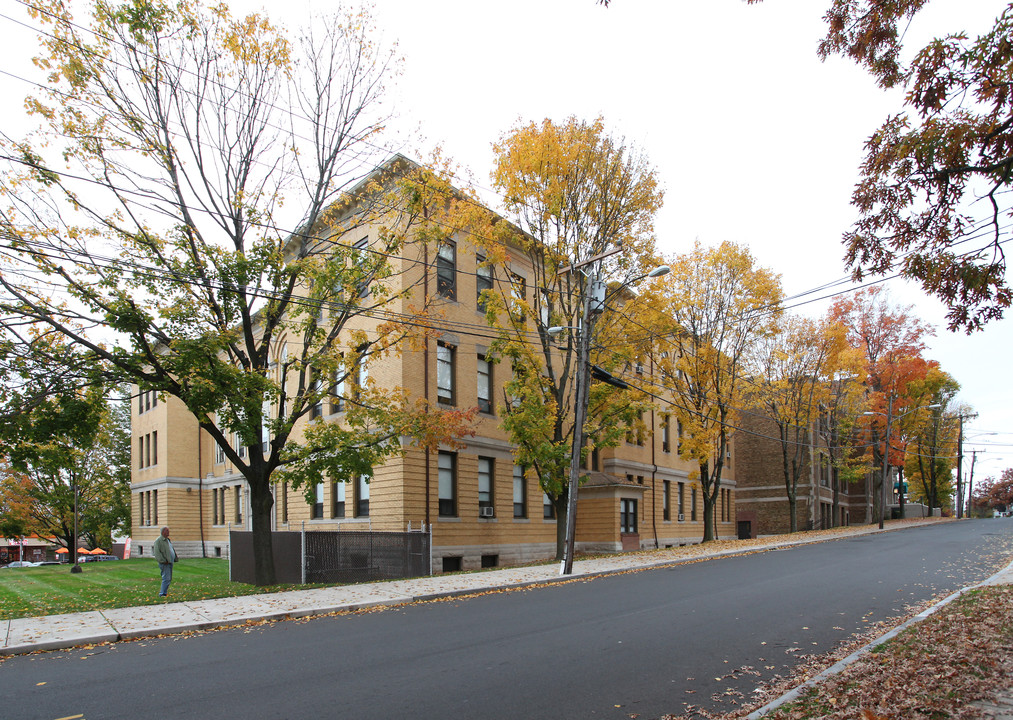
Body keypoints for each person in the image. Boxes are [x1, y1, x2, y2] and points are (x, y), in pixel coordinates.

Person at [151, 526, 178, 597]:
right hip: (165, 563)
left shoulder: (167, 540)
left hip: (170, 562)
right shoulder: (158, 541)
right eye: (167, 531)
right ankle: (162, 593)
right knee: (166, 578)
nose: (168, 533)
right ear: (163, 532)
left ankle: (164, 592)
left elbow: (171, 549)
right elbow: (157, 553)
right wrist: (163, 560)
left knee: (169, 578)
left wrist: (174, 558)